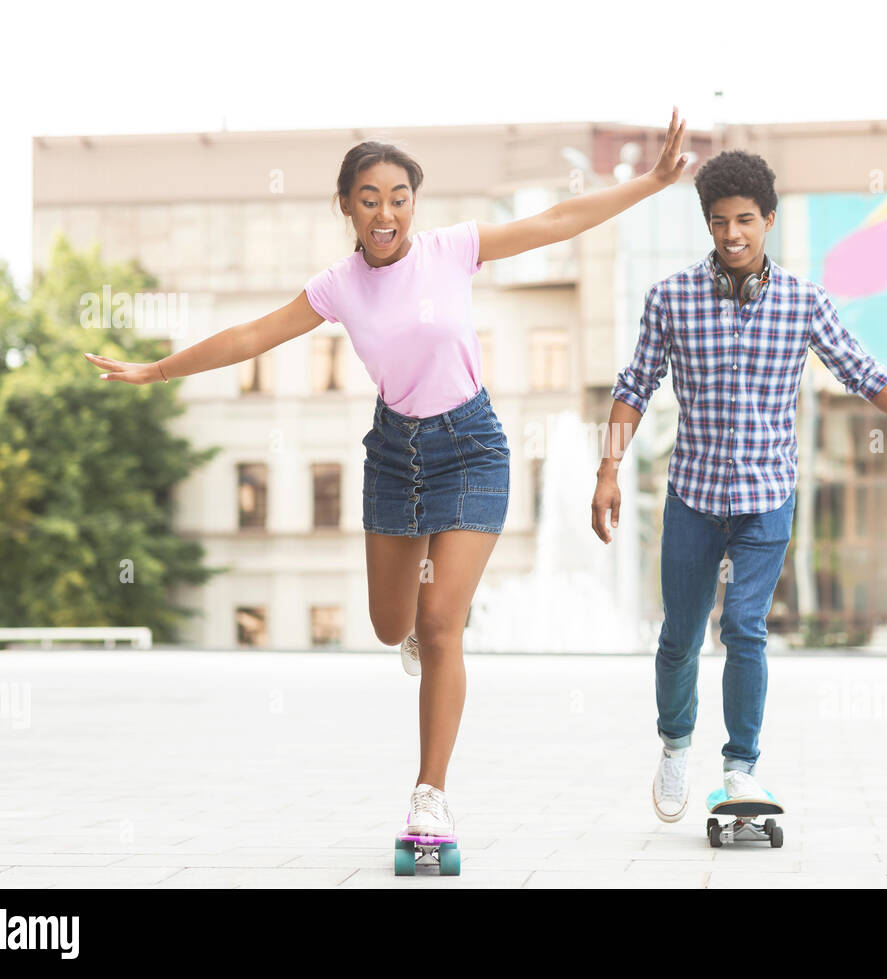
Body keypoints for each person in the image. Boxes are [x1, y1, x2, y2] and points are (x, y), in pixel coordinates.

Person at [85, 107, 690, 842]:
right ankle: (413, 633)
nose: (385, 211)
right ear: (346, 205)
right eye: (369, 197)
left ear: (414, 204)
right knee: (391, 624)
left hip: (472, 447)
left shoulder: (452, 249)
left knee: (440, 626)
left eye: (399, 196)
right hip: (394, 457)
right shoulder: (338, 286)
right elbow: (253, 333)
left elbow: (558, 220)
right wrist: (160, 367)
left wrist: (655, 182)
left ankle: (429, 792)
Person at [591, 149, 887, 822]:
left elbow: (864, 372)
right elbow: (634, 388)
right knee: (680, 634)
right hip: (692, 496)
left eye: (745, 220)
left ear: (768, 220)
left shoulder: (803, 302)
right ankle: (676, 744)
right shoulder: (671, 299)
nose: (732, 234)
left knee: (745, 626)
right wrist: (607, 470)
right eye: (718, 222)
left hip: (767, 497)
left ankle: (741, 769)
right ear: (707, 225)